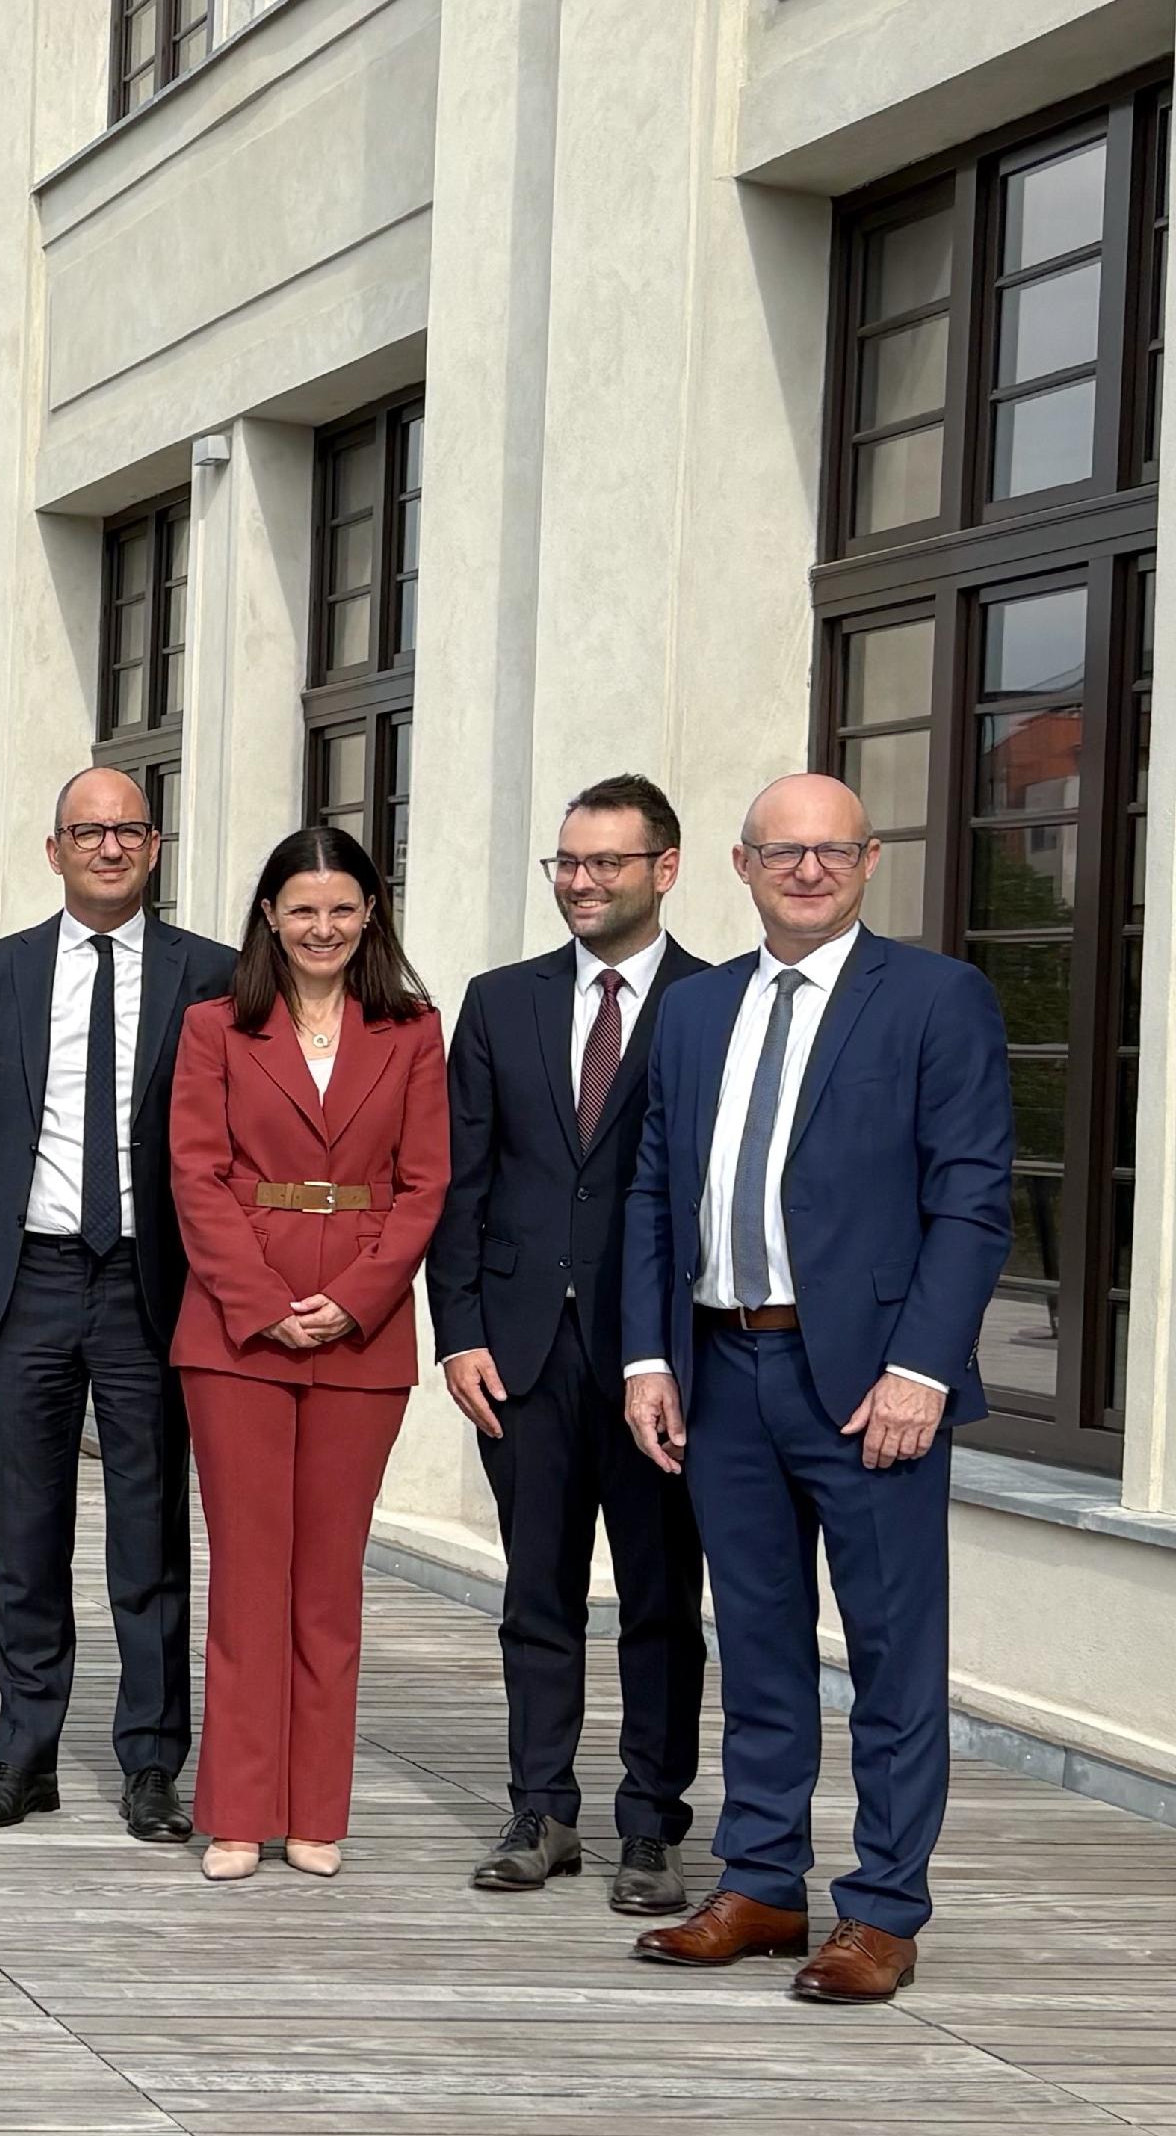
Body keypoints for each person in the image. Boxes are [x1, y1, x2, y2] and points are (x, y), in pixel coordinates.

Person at [620, 773, 1009, 2005]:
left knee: (892, 1651)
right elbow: (648, 1191)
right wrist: (647, 1356)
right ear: (738, 866)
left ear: (868, 860)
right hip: (721, 1367)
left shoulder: (938, 999)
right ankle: (763, 1880)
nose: (806, 870)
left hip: (870, 1385)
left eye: (829, 850)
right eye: (781, 851)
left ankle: (882, 1908)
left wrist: (921, 1367)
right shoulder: (694, 1012)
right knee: (760, 1639)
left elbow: (972, 1200)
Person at [429, 775, 710, 1911]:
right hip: (520, 1353)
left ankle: (651, 1824)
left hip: (659, 1359)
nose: (581, 882)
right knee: (534, 1591)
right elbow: (461, 1182)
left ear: (666, 867)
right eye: (566, 863)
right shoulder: (499, 1001)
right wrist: (456, 1334)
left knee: (657, 1597)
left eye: (605, 862)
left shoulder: (715, 1001)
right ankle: (539, 1808)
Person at [0, 767, 237, 1840]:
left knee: (148, 1535)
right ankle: (23, 1753)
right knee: (26, 1532)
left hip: (152, 1284)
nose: (108, 847)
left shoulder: (212, 973)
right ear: (53, 846)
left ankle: (152, 1761)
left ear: (154, 845)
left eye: (128, 830)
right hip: (31, 1276)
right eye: (87, 830)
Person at [160, 826, 445, 1880]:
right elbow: (196, 1173)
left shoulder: (413, 1029)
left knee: (327, 1580)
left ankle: (314, 1805)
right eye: (300, 908)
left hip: (360, 1331)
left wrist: (357, 1296)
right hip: (237, 1330)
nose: (320, 927)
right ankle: (238, 1806)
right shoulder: (214, 1027)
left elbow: (425, 1183)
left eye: (339, 908)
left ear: (369, 912)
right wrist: (263, 1299)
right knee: (246, 1576)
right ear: (268, 917)